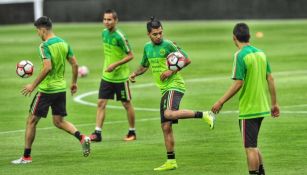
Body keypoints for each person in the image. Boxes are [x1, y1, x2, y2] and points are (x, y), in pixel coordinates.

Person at [129, 17, 216, 171]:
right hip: (164, 90)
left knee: (169, 114)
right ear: (148, 34)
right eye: (155, 34)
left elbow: (186, 60)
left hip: (174, 85)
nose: (158, 36)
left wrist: (171, 70)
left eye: (160, 33)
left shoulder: (168, 45)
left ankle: (205, 114)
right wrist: (134, 74)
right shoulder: (147, 48)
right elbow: (144, 65)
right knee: (165, 126)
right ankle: (171, 161)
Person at [11, 16, 91, 164]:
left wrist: (32, 85)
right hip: (60, 89)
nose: (37, 34)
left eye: (37, 31)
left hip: (47, 90)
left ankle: (26, 157)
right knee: (59, 121)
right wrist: (73, 83)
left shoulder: (44, 46)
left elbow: (47, 67)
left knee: (31, 121)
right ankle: (82, 137)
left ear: (42, 29)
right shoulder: (64, 43)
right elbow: (75, 64)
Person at [211, 23, 280, 175]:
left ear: (233, 38)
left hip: (249, 108)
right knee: (253, 145)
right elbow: (270, 78)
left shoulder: (240, 55)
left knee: (250, 148)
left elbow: (238, 83)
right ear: (249, 36)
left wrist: (220, 101)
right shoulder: (261, 53)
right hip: (262, 107)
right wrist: (274, 103)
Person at [89, 9, 136, 142]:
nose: (106, 22)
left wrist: (115, 65)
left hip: (120, 77)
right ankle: (97, 133)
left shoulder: (120, 36)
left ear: (116, 20)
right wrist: (108, 67)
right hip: (107, 76)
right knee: (101, 103)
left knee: (126, 104)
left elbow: (131, 55)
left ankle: (132, 131)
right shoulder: (104, 33)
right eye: (104, 19)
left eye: (109, 19)